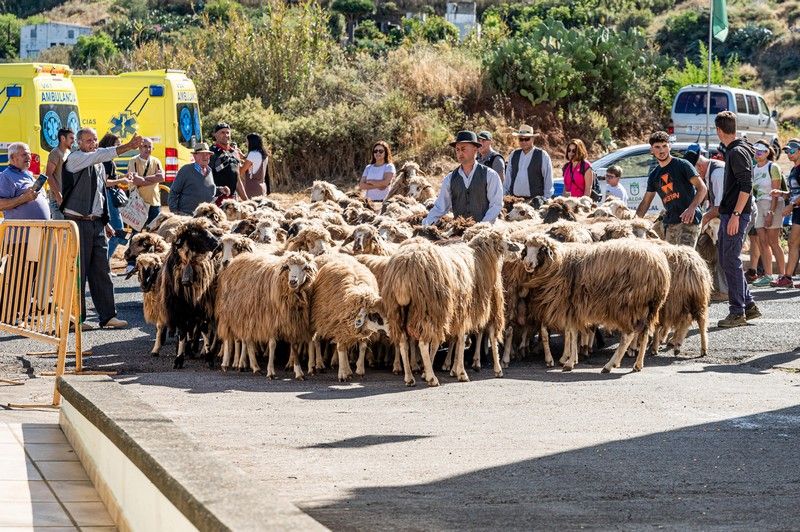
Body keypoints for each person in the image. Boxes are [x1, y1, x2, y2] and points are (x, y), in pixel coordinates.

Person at [62, 128, 142, 329]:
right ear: (78, 143)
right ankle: (74, 319)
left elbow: (100, 193)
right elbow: (100, 154)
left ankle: (107, 317)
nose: (93, 143)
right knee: (77, 271)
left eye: (95, 140)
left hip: (95, 223)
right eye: (88, 140)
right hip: (77, 223)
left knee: (102, 272)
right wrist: (128, 147)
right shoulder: (76, 158)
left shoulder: (97, 164)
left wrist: (104, 221)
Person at [713, 111, 761, 327]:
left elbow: (746, 186)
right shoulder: (735, 149)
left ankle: (737, 312)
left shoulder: (736, 151)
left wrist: (735, 215)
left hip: (736, 214)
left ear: (719, 131)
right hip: (730, 213)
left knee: (730, 261)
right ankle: (748, 305)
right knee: (726, 260)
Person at [635, 131, 707, 247]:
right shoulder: (654, 175)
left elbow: (702, 188)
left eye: (664, 146)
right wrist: (634, 223)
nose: (661, 150)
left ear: (669, 146)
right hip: (671, 222)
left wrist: (691, 208)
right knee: (671, 260)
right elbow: (645, 202)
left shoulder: (682, 165)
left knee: (684, 259)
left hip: (689, 220)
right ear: (651, 150)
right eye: (657, 147)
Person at [423, 130, 503, 226]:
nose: (460, 153)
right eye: (457, 149)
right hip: (459, 230)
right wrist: (426, 223)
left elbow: (496, 205)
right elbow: (440, 207)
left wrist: (482, 226)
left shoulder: (490, 175)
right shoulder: (450, 178)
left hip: (485, 232)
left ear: (475, 149)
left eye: (464, 149)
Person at [693, 146, 729, 300]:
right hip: (724, 215)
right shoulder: (709, 172)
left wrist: (702, 221)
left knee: (724, 252)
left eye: (696, 174)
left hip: (736, 214)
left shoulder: (717, 173)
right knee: (715, 249)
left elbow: (719, 206)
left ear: (700, 167)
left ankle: (725, 291)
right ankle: (717, 287)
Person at [749, 142, 786, 287]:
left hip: (773, 205)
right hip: (758, 205)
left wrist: (771, 213)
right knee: (762, 242)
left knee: (773, 242)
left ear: (767, 153)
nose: (757, 154)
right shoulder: (753, 169)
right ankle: (769, 275)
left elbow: (776, 194)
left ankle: (783, 275)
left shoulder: (773, 167)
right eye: (755, 151)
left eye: (761, 151)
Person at [168, 143, 231, 216]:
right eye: (202, 154)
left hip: (205, 216)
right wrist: (174, 211)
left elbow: (206, 190)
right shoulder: (185, 170)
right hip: (187, 216)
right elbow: (174, 192)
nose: (205, 156)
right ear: (195, 156)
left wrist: (220, 189)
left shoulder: (209, 171)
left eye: (207, 154)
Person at [771, 138, 800, 288]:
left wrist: (792, 205)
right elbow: (794, 192)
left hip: (797, 208)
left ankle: (788, 277)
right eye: (787, 151)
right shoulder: (795, 169)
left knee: (793, 242)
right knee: (793, 243)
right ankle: (787, 277)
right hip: (797, 209)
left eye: (792, 150)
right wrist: (782, 193)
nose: (789, 153)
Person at [97, 134, 130, 263]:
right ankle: (103, 263)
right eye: (117, 145)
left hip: (107, 197)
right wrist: (123, 179)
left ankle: (105, 264)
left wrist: (122, 177)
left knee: (114, 232)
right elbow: (105, 182)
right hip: (108, 197)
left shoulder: (106, 160)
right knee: (118, 231)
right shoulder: (106, 161)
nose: (120, 147)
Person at [0, 142, 50, 220]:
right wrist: (23, 198)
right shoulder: (6, 176)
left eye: (29, 154)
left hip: (40, 229)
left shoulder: (29, 174)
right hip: (22, 230)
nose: (29, 157)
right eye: (24, 154)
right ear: (13, 158)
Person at [504, 124, 554, 199]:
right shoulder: (514, 154)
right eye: (521, 139)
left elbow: (548, 179)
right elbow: (508, 178)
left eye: (527, 139)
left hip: (535, 201)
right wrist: (504, 195)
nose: (524, 141)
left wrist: (546, 198)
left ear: (533, 139)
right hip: (515, 200)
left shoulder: (542, 155)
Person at [209, 123, 246, 203]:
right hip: (215, 201)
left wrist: (247, 201)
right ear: (215, 135)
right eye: (222, 132)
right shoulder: (211, 153)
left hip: (231, 201)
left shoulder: (234, 153)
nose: (226, 135)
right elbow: (205, 179)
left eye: (227, 132)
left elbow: (238, 180)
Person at [44, 128, 74, 220]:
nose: (73, 141)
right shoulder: (55, 153)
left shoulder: (69, 153)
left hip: (68, 200)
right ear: (63, 138)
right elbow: (48, 174)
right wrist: (58, 195)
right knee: (60, 231)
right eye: (71, 138)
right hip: (58, 201)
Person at [240, 133, 270, 198]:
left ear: (251, 142)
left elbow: (241, 171)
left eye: (247, 141)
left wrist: (236, 160)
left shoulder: (252, 154)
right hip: (262, 187)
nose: (246, 143)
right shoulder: (264, 154)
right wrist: (243, 157)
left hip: (252, 189)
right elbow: (255, 163)